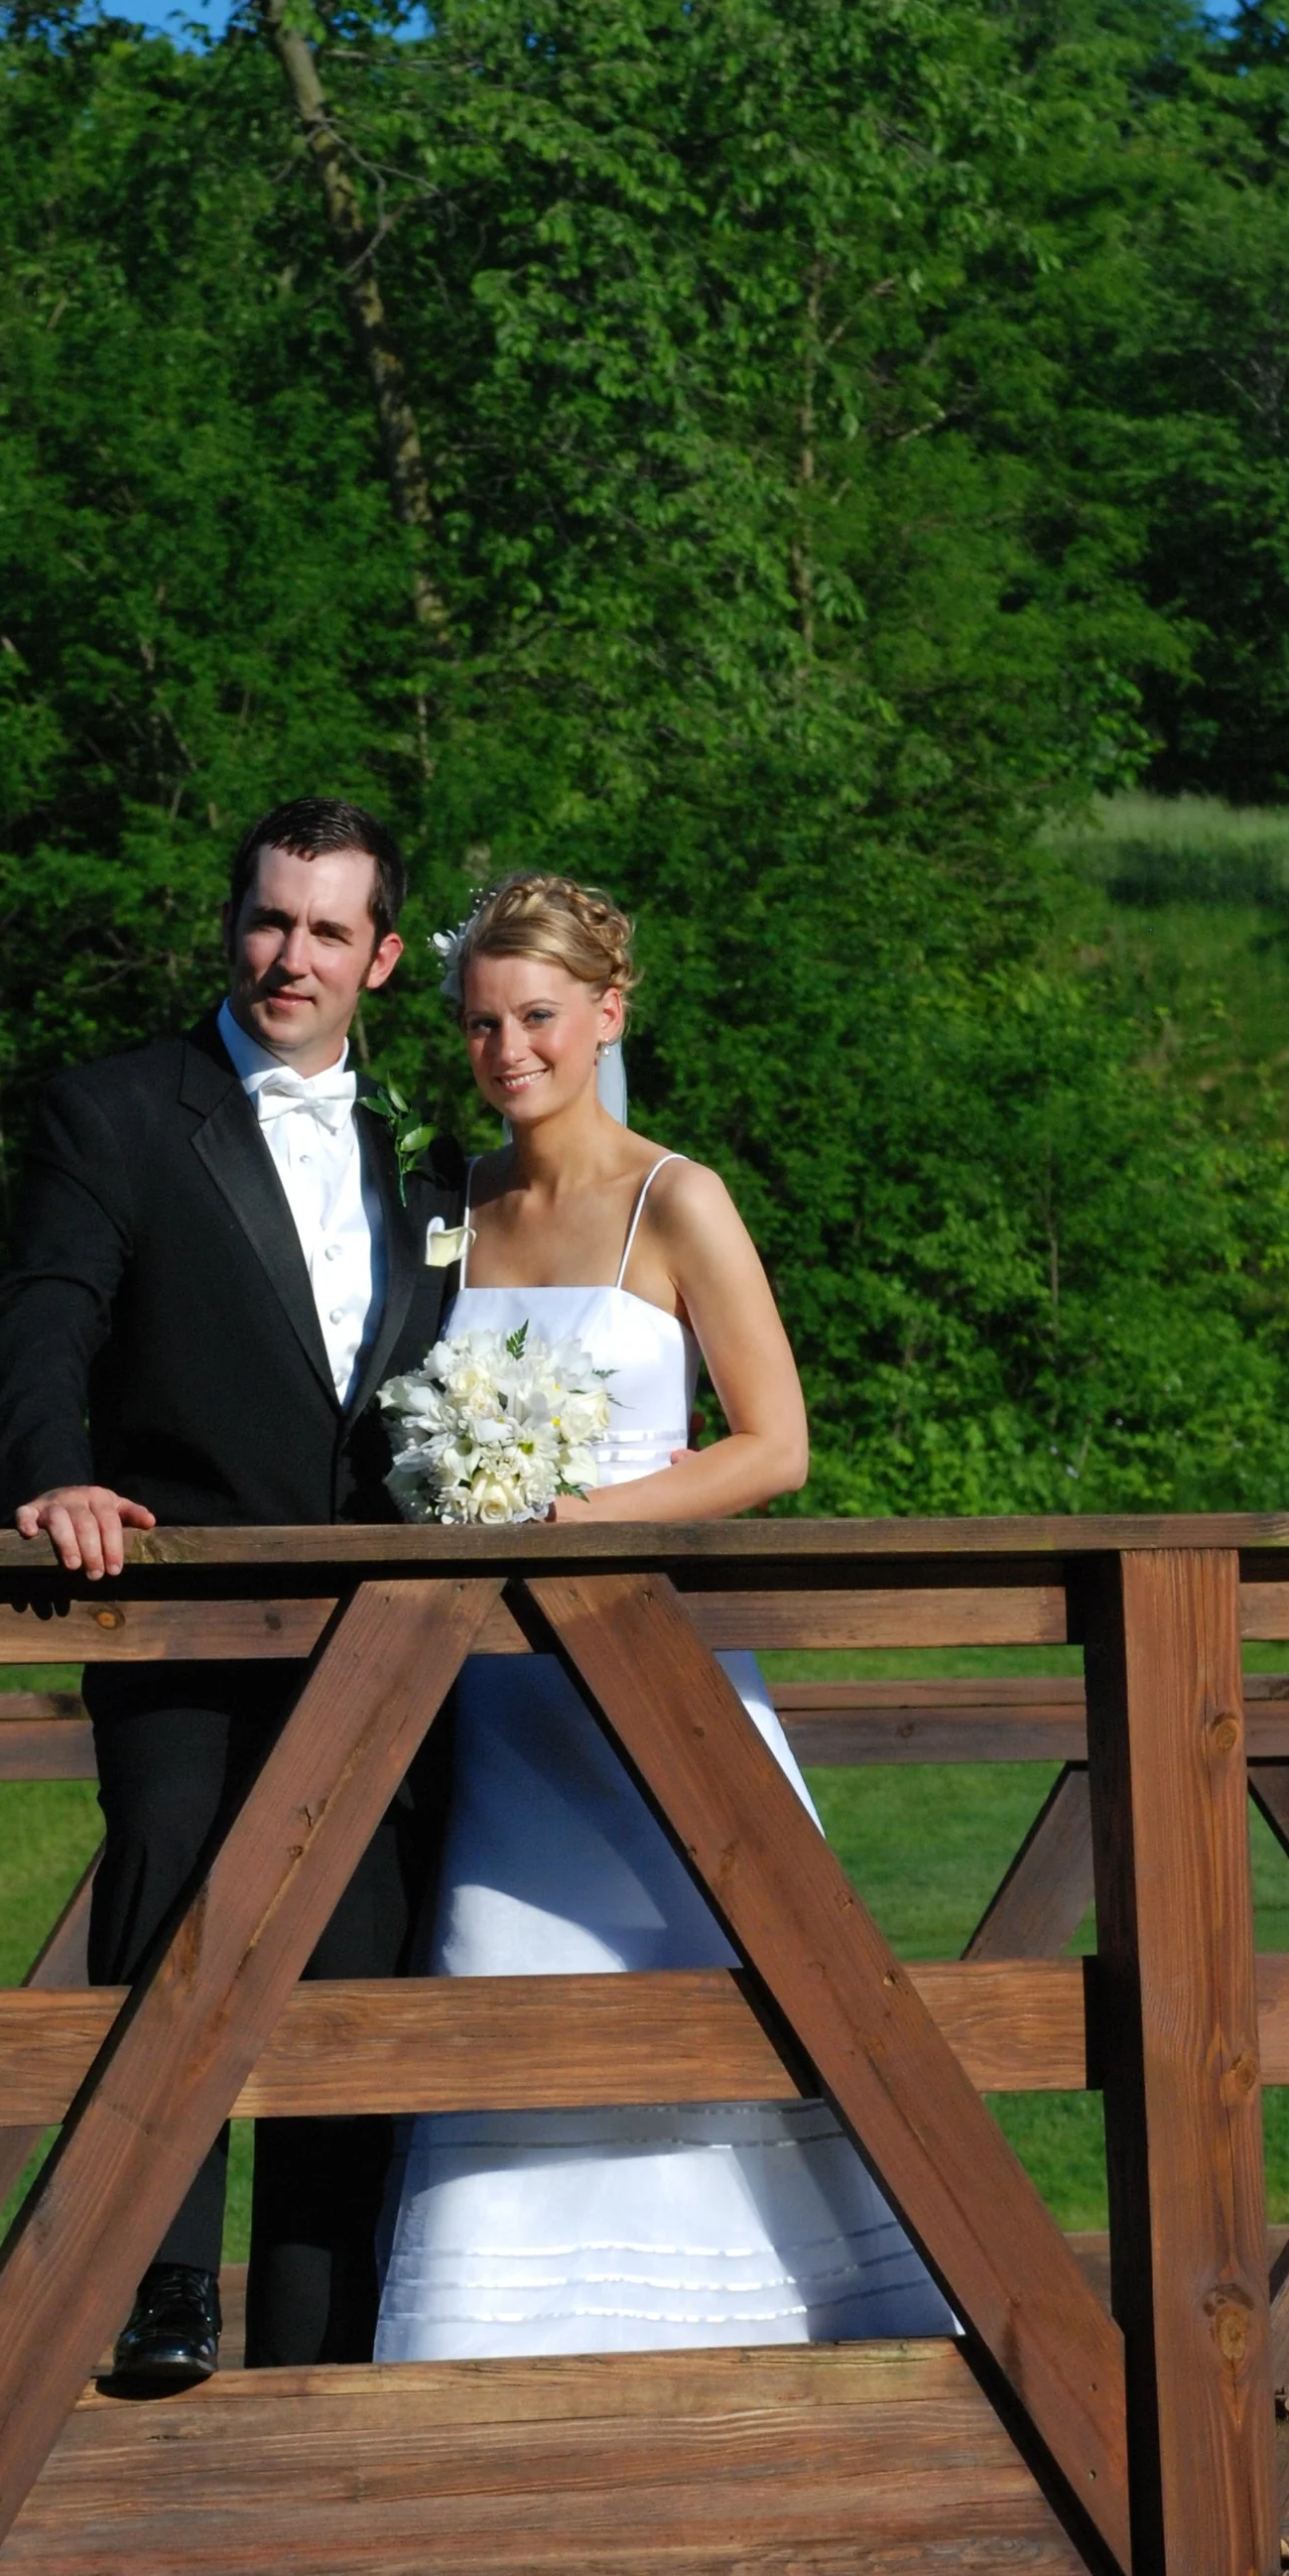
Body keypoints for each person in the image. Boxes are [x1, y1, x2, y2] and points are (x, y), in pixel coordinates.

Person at [373, 871, 957, 2360]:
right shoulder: (456, 1209)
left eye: (540, 1019)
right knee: (505, 1966)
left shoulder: (674, 1198)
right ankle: (505, 2332)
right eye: (484, 1024)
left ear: (607, 1014)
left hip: (649, 1666)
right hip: (497, 1698)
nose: (509, 1052)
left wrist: (593, 1520)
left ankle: (780, 2308)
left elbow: (776, 1444)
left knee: (710, 1958)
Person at [0, 797, 454, 2391]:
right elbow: (40, 1311)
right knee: (170, 1890)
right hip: (175, 1620)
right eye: (266, 919)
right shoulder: (115, 1114)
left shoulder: (428, 1163)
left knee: (361, 1956)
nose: (287, 955)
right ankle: (156, 2282)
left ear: (381, 957)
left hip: (381, 1640)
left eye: (326, 930)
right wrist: (49, 1468)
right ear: (230, 923)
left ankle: (321, 2329)